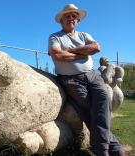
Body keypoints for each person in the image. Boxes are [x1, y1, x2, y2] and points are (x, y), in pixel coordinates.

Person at [48, 4, 125, 156]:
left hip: (92, 74)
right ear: (61, 20)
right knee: (90, 106)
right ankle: (109, 148)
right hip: (70, 79)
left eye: (74, 16)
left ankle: (102, 148)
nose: (71, 18)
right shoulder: (55, 37)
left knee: (103, 99)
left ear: (77, 20)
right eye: (67, 16)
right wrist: (84, 53)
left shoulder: (84, 35)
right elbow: (58, 56)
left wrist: (69, 51)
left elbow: (96, 47)